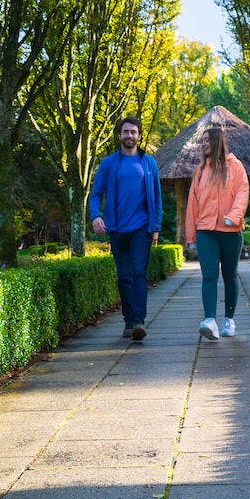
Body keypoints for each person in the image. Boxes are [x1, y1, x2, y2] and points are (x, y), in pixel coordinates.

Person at [90, 116, 162, 341]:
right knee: (124, 276)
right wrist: (95, 217)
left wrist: (156, 226)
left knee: (139, 273)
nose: (129, 136)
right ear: (119, 135)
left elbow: (157, 197)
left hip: (142, 227)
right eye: (126, 132)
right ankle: (128, 321)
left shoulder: (148, 163)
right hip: (117, 229)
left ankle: (139, 321)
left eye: (133, 132)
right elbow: (96, 195)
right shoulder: (109, 164)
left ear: (139, 136)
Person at [185, 126, 250, 340]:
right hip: (206, 231)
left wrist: (234, 215)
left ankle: (229, 320)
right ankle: (210, 320)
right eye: (202, 140)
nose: (202, 144)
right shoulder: (200, 171)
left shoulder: (236, 167)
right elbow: (192, 204)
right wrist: (191, 235)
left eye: (206, 140)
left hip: (231, 230)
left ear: (217, 142)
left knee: (230, 275)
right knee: (209, 275)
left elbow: (242, 192)